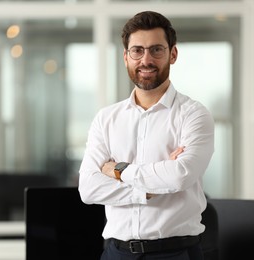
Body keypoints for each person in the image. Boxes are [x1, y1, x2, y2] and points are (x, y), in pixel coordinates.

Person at [78, 10, 214, 260]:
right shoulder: (106, 119)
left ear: (173, 54)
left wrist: (118, 170)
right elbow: (88, 189)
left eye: (156, 50)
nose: (146, 59)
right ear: (126, 56)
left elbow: (180, 176)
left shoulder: (194, 115)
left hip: (176, 253)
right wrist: (150, 189)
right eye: (137, 50)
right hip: (115, 253)